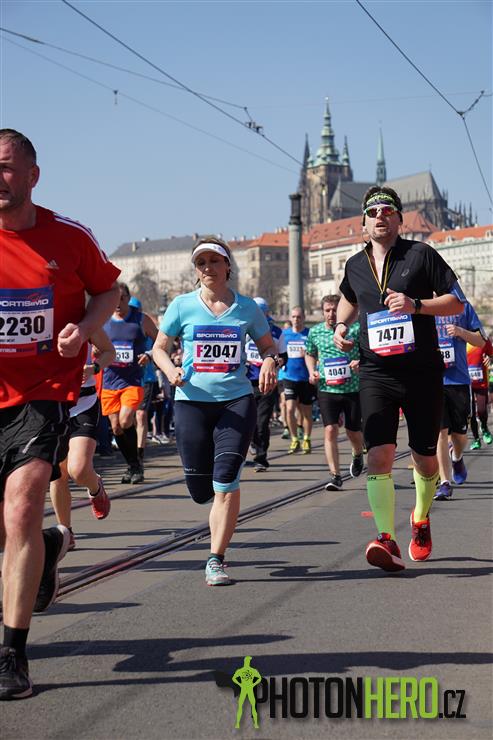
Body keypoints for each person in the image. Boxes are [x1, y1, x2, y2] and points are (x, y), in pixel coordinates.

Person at [0, 129, 120, 700]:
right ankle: (48, 548)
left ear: (32, 175)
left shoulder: (69, 237)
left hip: (42, 393)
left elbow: (108, 292)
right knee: (9, 527)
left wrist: (86, 327)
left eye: (5, 167)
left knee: (23, 504)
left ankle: (12, 655)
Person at [334, 185, 465, 573]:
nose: (380, 216)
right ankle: (386, 537)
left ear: (399, 219)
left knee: (425, 459)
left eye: (387, 210)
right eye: (373, 211)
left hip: (421, 371)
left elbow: (456, 301)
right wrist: (340, 325)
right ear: (363, 222)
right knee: (379, 453)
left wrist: (416, 305)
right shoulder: (355, 264)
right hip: (375, 370)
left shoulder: (421, 254)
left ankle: (420, 519)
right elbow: (349, 298)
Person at [152, 236, 278, 586]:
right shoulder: (181, 305)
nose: (208, 267)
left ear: (227, 266)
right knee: (200, 490)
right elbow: (159, 348)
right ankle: (216, 505)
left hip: (235, 402)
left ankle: (215, 559)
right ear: (196, 270)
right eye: (201, 263)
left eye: (214, 261)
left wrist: (270, 361)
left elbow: (268, 347)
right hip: (191, 402)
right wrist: (170, 370)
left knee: (226, 480)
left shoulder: (247, 308)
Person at [49, 329, 116, 550]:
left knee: (78, 470)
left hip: (83, 404)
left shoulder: (85, 321)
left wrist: (94, 368)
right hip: (51, 404)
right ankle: (66, 531)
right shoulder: (38, 320)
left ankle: (96, 487)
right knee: (58, 474)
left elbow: (109, 351)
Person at [305, 294, 364, 491]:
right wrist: (311, 371)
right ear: (322, 312)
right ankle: (335, 475)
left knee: (353, 431)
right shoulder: (315, 332)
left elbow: (367, 351)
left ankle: (358, 453)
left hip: (352, 388)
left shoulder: (355, 329)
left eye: (334, 310)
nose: (331, 314)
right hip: (327, 388)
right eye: (327, 310)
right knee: (330, 429)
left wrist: (359, 362)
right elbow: (310, 353)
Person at [101, 284, 158, 484]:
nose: (118, 303)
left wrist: (149, 355)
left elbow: (161, 341)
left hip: (132, 381)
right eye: (114, 299)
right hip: (109, 382)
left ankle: (136, 465)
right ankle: (133, 465)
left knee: (126, 420)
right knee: (116, 428)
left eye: (122, 298)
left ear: (128, 297)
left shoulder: (140, 319)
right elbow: (92, 344)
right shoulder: (103, 320)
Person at [433, 302, 486, 500]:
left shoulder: (462, 306)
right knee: (440, 432)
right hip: (433, 381)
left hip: (459, 381)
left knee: (459, 435)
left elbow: (481, 341)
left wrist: (460, 332)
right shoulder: (420, 305)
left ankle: (457, 457)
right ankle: (445, 483)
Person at [245, 297, 287, 472]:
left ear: (267, 312)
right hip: (247, 381)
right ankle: (253, 443)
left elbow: (284, 356)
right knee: (248, 421)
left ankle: (261, 458)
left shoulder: (276, 332)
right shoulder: (244, 328)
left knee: (262, 421)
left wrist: (277, 362)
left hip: (268, 383)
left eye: (261, 311)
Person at [281, 306, 317, 454]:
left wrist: (308, 354)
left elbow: (317, 354)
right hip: (289, 377)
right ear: (290, 318)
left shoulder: (309, 334)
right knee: (289, 408)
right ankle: (294, 438)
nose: (296, 319)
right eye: (294, 317)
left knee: (306, 412)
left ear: (304, 318)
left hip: (305, 378)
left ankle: (307, 438)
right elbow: (279, 352)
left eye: (299, 317)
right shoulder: (285, 334)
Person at [467, 337, 493, 450]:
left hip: (481, 382)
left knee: (482, 410)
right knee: (471, 413)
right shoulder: (460, 339)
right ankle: (476, 439)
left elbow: (491, 355)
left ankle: (484, 428)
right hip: (466, 382)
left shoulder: (483, 339)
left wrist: (490, 359)